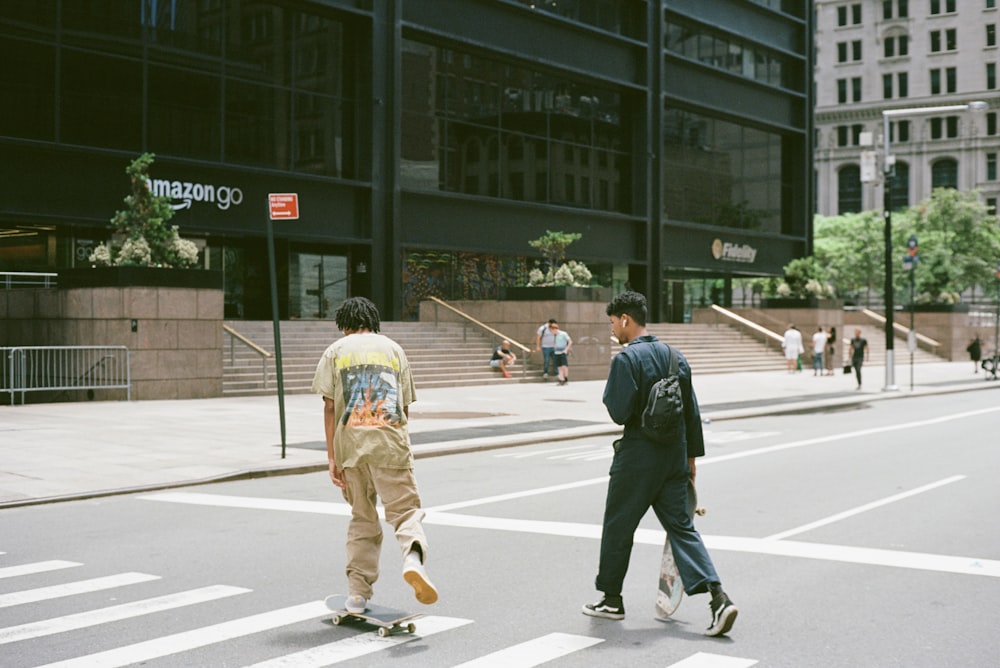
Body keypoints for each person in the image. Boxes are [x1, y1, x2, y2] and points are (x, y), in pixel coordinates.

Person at [583, 290, 738, 637]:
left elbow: (619, 411)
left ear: (625, 319)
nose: (613, 331)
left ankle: (611, 599)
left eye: (613, 323)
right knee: (682, 529)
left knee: (619, 526)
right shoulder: (674, 356)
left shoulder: (626, 360)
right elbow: (692, 414)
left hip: (638, 456)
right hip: (674, 456)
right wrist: (691, 460)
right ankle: (719, 599)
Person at [311, 296, 438, 615]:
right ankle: (412, 558)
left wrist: (332, 457)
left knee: (362, 519)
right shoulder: (394, 349)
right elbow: (405, 406)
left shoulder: (336, 351)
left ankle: (357, 594)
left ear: (345, 324)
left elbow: (329, 406)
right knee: (406, 512)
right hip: (390, 445)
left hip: (351, 448)